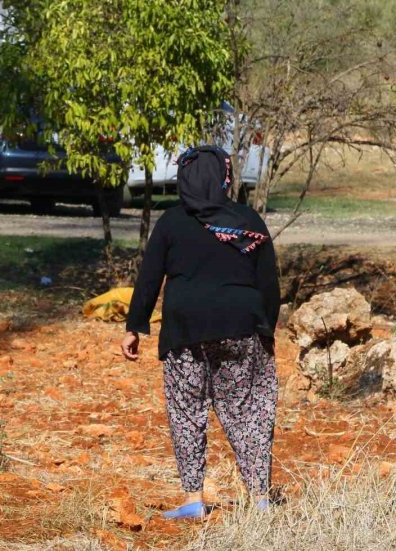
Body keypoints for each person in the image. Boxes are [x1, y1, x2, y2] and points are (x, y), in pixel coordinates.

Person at [121, 145, 280, 518]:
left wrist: (135, 327)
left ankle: (193, 499)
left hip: (185, 329)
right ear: (225, 177)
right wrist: (266, 330)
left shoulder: (172, 222)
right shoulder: (248, 221)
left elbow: (149, 278)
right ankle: (260, 497)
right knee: (248, 410)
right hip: (242, 327)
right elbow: (269, 284)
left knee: (187, 411)